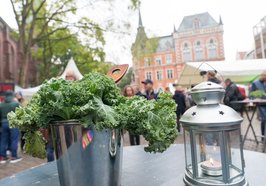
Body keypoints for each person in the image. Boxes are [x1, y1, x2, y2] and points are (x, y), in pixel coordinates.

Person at [0, 91, 22, 163]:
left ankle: (3, 157)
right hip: (13, 123)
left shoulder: (1, 105)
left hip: (4, 124)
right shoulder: (15, 103)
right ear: (12, 95)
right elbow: (21, 111)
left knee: (3, 140)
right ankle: (14, 157)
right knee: (14, 140)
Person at [250, 71, 266, 140]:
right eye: (264, 75)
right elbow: (251, 95)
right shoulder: (255, 83)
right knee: (264, 119)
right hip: (261, 105)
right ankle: (263, 135)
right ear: (261, 75)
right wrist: (255, 98)